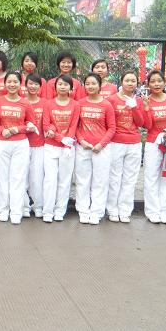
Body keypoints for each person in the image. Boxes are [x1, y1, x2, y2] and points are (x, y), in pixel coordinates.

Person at [0, 71, 37, 224]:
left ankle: (16, 212)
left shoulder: (25, 103)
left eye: (15, 82)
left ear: (20, 84)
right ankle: (2, 210)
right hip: (2, 143)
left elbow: (31, 125)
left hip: (20, 144)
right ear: (5, 83)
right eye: (9, 82)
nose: (12, 84)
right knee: (2, 178)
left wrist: (16, 129)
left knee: (18, 178)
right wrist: (1, 130)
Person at [141, 70, 166, 224]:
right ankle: (152, 212)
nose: (156, 84)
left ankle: (165, 212)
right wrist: (146, 107)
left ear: (165, 83)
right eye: (152, 81)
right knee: (151, 178)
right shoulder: (146, 101)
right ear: (148, 84)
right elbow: (147, 125)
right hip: (153, 144)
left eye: (159, 81)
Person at [75, 73, 116, 225]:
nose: (90, 86)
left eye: (93, 83)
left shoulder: (106, 105)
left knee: (100, 180)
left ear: (99, 86)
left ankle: (97, 212)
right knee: (82, 180)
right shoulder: (79, 103)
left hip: (101, 149)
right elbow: (75, 126)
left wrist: (101, 144)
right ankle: (83, 210)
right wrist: (81, 141)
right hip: (83, 147)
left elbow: (112, 127)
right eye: (87, 83)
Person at [41, 75, 80, 223]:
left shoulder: (75, 105)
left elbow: (73, 125)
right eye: (60, 84)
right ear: (55, 87)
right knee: (50, 180)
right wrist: (60, 138)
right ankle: (47, 211)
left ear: (71, 88)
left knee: (65, 180)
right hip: (51, 146)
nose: (62, 87)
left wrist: (67, 144)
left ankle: (60, 211)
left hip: (67, 148)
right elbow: (46, 125)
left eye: (66, 85)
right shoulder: (48, 104)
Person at [106, 71, 144, 223]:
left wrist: (134, 107)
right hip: (116, 142)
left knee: (130, 179)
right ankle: (112, 209)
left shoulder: (138, 100)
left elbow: (141, 123)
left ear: (137, 83)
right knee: (114, 177)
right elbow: (108, 123)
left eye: (133, 81)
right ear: (121, 82)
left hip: (134, 143)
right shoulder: (111, 99)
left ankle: (125, 210)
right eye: (127, 80)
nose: (130, 83)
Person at [24, 73, 46, 218]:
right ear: (26, 85)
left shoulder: (45, 103)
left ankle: (38, 206)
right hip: (23, 144)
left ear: (40, 86)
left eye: (36, 84)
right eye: (30, 83)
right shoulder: (21, 101)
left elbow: (49, 122)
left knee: (37, 178)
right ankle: (24, 206)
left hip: (40, 145)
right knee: (22, 177)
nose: (33, 86)